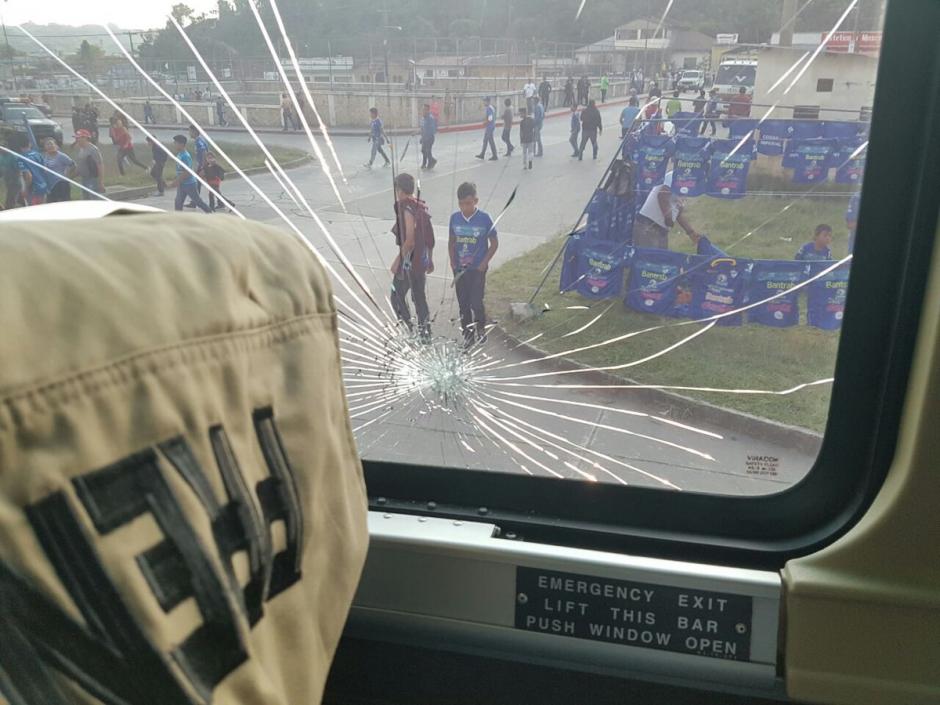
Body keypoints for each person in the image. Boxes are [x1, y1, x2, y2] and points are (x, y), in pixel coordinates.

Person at [449, 181, 499, 346]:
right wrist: (453, 262)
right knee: (463, 303)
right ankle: (467, 334)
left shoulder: (484, 219)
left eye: (468, 203)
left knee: (476, 302)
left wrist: (484, 263)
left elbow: (494, 244)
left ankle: (480, 327)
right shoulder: (455, 218)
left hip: (477, 269)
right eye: (462, 204)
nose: (465, 207)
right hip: (460, 270)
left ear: (476, 201)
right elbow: (451, 242)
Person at [390, 172, 434, 340]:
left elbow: (409, 241)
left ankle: (409, 329)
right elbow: (430, 237)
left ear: (400, 190)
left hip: (409, 261)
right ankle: (425, 335)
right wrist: (430, 258)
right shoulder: (419, 206)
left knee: (396, 295)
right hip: (421, 260)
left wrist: (397, 262)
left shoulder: (407, 208)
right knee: (419, 297)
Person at [634, 171, 701, 249]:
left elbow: (678, 213)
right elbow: (662, 195)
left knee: (660, 259)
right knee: (649, 259)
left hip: (660, 229)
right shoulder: (675, 175)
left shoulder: (687, 183)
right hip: (648, 225)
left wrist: (691, 232)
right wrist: (668, 217)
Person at [168, 134, 211, 213]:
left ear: (181, 144)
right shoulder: (180, 154)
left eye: (175, 143)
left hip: (189, 184)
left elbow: (187, 172)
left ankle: (210, 213)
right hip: (182, 184)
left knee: (198, 202)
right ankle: (178, 220)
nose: (174, 144)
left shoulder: (185, 156)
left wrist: (176, 182)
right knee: (178, 202)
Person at [8, 132, 48, 206]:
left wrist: (25, 189)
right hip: (43, 186)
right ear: (29, 143)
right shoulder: (37, 154)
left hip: (32, 189)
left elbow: (28, 175)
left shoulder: (21, 158)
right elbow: (45, 170)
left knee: (32, 212)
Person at [41, 137, 75, 203]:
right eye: (47, 144)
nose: (50, 146)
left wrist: (68, 176)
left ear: (56, 145)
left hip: (61, 184)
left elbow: (73, 165)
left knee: (63, 204)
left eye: (51, 144)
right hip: (50, 185)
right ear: (45, 147)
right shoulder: (45, 156)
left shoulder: (61, 156)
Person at [73, 129, 104, 200]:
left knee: (93, 199)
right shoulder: (81, 149)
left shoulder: (93, 149)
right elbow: (80, 164)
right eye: (76, 138)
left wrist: (101, 182)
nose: (77, 139)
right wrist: (74, 175)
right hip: (84, 178)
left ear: (85, 138)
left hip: (92, 179)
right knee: (86, 199)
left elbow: (100, 165)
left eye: (78, 138)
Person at [189, 124, 209, 198]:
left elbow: (204, 152)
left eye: (190, 131)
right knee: (198, 183)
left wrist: (203, 167)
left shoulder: (198, 141)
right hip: (202, 165)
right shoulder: (199, 140)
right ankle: (195, 200)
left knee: (211, 185)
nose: (189, 133)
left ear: (194, 131)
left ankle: (223, 202)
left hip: (202, 165)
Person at [475, 97, 498, 161]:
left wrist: (485, 122)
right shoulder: (491, 107)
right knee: (487, 140)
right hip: (491, 126)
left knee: (489, 141)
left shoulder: (489, 108)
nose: (484, 102)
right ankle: (483, 154)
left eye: (484, 101)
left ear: (488, 101)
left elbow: (490, 118)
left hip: (489, 127)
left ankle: (494, 155)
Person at [419, 103, 437, 170]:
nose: (423, 111)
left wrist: (426, 137)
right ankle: (427, 162)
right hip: (424, 137)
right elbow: (422, 128)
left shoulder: (430, 118)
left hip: (429, 138)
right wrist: (421, 137)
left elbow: (432, 130)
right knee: (423, 150)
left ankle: (430, 163)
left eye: (424, 110)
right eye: (423, 109)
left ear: (428, 110)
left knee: (428, 151)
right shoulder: (422, 118)